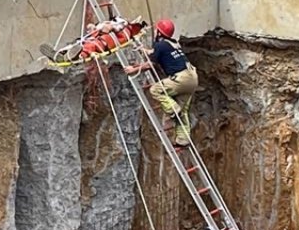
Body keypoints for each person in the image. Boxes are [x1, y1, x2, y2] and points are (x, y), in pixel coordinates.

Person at [125, 18, 198, 147]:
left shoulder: (160, 45)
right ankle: (183, 140)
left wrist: (133, 69)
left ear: (159, 32)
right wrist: (145, 50)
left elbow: (150, 64)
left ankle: (173, 110)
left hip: (181, 78)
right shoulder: (173, 43)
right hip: (192, 78)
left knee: (156, 90)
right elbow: (157, 54)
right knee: (184, 111)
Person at [42, 17, 148, 63]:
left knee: (91, 46)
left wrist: (106, 26)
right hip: (101, 39)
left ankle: (69, 56)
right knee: (84, 43)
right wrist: (95, 28)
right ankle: (62, 54)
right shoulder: (126, 31)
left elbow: (110, 29)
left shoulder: (126, 31)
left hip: (104, 42)